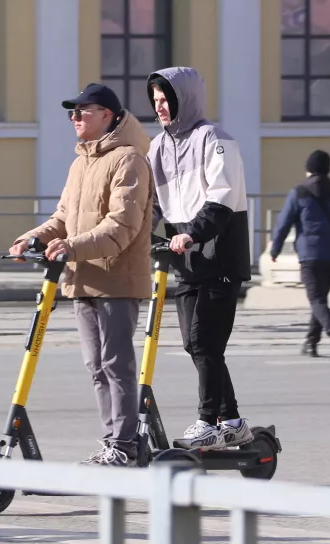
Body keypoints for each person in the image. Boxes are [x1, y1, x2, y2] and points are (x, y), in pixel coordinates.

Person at [8, 83, 153, 467]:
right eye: (71, 112)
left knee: (116, 365)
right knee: (96, 368)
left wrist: (73, 247)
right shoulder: (81, 163)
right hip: (82, 278)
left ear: (107, 114)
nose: (74, 118)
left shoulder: (129, 161)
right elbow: (63, 219)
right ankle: (112, 444)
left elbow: (122, 226)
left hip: (116, 278)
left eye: (82, 111)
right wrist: (31, 238)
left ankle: (124, 446)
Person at [145, 66, 254, 450]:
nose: (160, 108)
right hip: (187, 260)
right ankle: (234, 420)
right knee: (197, 346)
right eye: (155, 101)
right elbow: (154, 204)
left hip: (218, 254)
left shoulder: (216, 139)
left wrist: (193, 232)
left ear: (183, 98)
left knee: (205, 342)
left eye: (166, 100)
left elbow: (222, 196)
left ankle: (208, 421)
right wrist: (138, 234)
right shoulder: (157, 146)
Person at [269, 150, 330, 360]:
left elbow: (284, 223)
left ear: (308, 169)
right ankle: (311, 342)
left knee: (316, 299)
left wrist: (275, 249)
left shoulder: (299, 192)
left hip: (310, 255)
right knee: (320, 299)